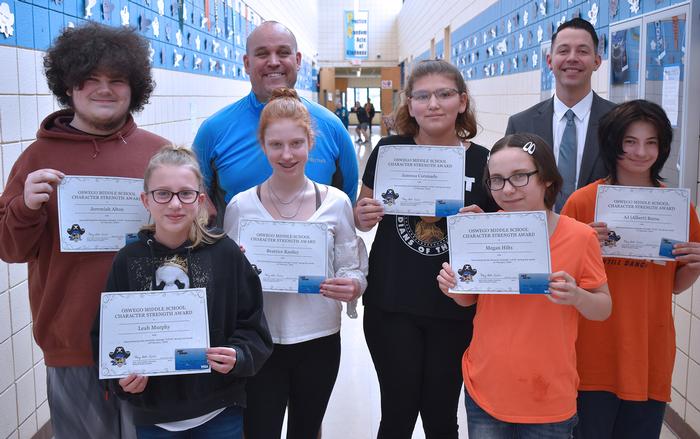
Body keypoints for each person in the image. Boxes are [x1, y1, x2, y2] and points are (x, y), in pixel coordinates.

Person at [0, 23, 167, 439]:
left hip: (150, 335)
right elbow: (9, 249)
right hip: (71, 341)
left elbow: (196, 232)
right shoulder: (36, 157)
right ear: (68, 87)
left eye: (116, 80)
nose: (104, 89)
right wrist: (26, 207)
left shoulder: (159, 153)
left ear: (135, 88)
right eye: (90, 79)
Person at [354, 59, 498, 438]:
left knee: (440, 416)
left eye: (444, 94)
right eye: (423, 95)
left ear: (462, 102)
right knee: (397, 414)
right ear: (410, 104)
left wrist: (483, 223)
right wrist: (364, 213)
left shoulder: (484, 160)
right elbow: (361, 213)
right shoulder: (389, 150)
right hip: (392, 304)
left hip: (453, 307)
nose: (433, 103)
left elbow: (499, 236)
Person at [437, 132, 612, 438]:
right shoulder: (484, 230)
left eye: (520, 177)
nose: (507, 189)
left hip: (548, 396)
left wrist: (576, 295)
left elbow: (603, 309)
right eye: (497, 180)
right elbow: (469, 300)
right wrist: (453, 287)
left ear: (546, 178)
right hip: (486, 389)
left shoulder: (579, 237)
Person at [92, 145, 273, 438]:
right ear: (145, 200)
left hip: (220, 410)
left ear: (200, 199)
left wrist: (239, 355)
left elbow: (252, 323)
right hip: (154, 415)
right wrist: (119, 378)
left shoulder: (225, 253)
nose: (175, 204)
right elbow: (105, 336)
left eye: (185, 194)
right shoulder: (128, 260)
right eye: (162, 193)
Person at [224, 88, 367, 439]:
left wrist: (353, 286)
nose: (287, 155)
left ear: (310, 142)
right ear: (263, 145)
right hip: (260, 341)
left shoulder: (335, 202)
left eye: (296, 144)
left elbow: (352, 267)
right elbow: (225, 281)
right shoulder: (241, 207)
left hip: (318, 338)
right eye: (276, 145)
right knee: (260, 430)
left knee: (306, 430)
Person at [561, 100, 700, 439]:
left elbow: (675, 285)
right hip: (590, 354)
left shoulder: (678, 207)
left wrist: (697, 265)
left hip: (648, 352)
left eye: (651, 142)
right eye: (630, 142)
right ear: (613, 144)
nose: (642, 152)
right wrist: (581, 243)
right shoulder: (582, 202)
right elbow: (563, 279)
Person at [193, 21, 358, 225]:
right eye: (262, 54)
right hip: (237, 256)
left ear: (297, 60)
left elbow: (347, 209)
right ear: (246, 63)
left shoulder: (332, 128)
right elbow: (195, 199)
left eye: (283, 52)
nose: (273, 62)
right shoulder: (214, 131)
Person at [505, 18, 616, 211]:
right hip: (539, 236)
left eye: (582, 51)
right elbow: (508, 185)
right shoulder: (520, 124)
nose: (572, 58)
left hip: (600, 237)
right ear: (549, 61)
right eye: (564, 51)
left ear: (597, 61)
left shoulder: (618, 121)